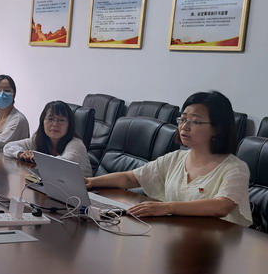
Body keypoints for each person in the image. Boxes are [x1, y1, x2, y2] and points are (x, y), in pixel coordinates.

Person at [85, 91, 252, 226]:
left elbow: (222, 206)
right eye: (183, 119)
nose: (184, 127)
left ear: (217, 128)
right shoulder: (175, 158)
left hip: (217, 243)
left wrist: (167, 207)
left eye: (195, 122)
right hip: (177, 233)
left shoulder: (235, 168)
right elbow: (131, 178)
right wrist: (91, 182)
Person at [3, 100, 91, 176]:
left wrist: (37, 158)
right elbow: (8, 147)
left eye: (61, 120)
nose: (55, 124)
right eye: (50, 119)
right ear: (42, 122)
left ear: (69, 124)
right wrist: (20, 153)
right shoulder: (38, 139)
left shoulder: (77, 144)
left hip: (84, 189)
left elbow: (65, 164)